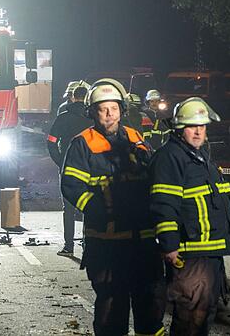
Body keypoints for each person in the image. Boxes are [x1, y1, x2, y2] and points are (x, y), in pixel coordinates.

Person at [61, 79, 165, 336]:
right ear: (92, 112)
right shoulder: (82, 143)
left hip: (143, 241)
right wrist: (99, 209)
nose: (109, 114)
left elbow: (153, 176)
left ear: (122, 109)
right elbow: (71, 186)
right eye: (102, 109)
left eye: (114, 108)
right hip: (107, 244)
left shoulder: (136, 139)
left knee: (150, 308)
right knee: (111, 312)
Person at [149, 97, 230, 336]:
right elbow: (164, 203)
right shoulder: (170, 158)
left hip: (209, 251)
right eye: (192, 126)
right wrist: (169, 245)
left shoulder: (199, 158)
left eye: (202, 126)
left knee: (203, 315)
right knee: (190, 318)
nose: (198, 131)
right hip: (190, 253)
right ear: (179, 128)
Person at [47, 85, 91, 256]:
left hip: (68, 168)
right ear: (87, 98)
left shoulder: (63, 118)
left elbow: (51, 141)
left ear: (72, 97)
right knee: (89, 207)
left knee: (69, 208)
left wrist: (60, 161)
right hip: (89, 168)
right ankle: (87, 244)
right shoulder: (93, 118)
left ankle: (68, 246)